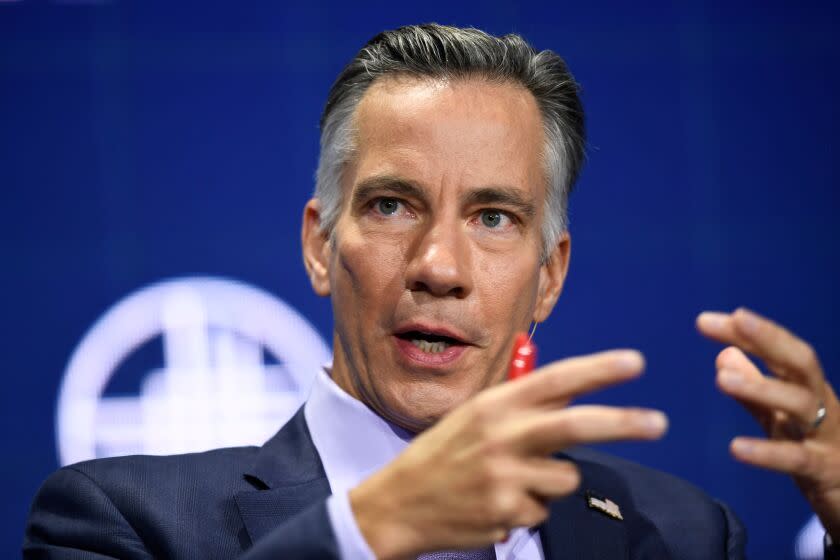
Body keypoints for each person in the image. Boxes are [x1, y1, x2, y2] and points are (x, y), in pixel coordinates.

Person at [23, 24, 840, 559]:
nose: (439, 265)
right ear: (318, 245)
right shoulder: (119, 521)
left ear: (548, 275)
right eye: (391, 205)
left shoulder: (684, 536)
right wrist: (369, 529)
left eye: (492, 217)